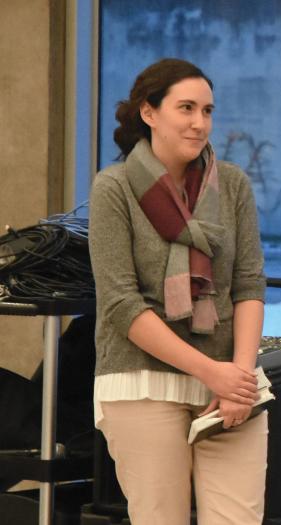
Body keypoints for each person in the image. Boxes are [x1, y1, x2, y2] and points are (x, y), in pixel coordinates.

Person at [88, 58, 267, 524]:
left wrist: (239, 379)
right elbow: (120, 305)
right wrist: (212, 372)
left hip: (231, 384)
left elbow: (249, 284)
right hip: (142, 381)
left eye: (207, 110)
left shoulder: (231, 185)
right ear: (149, 112)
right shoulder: (114, 189)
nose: (199, 122)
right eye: (185, 108)